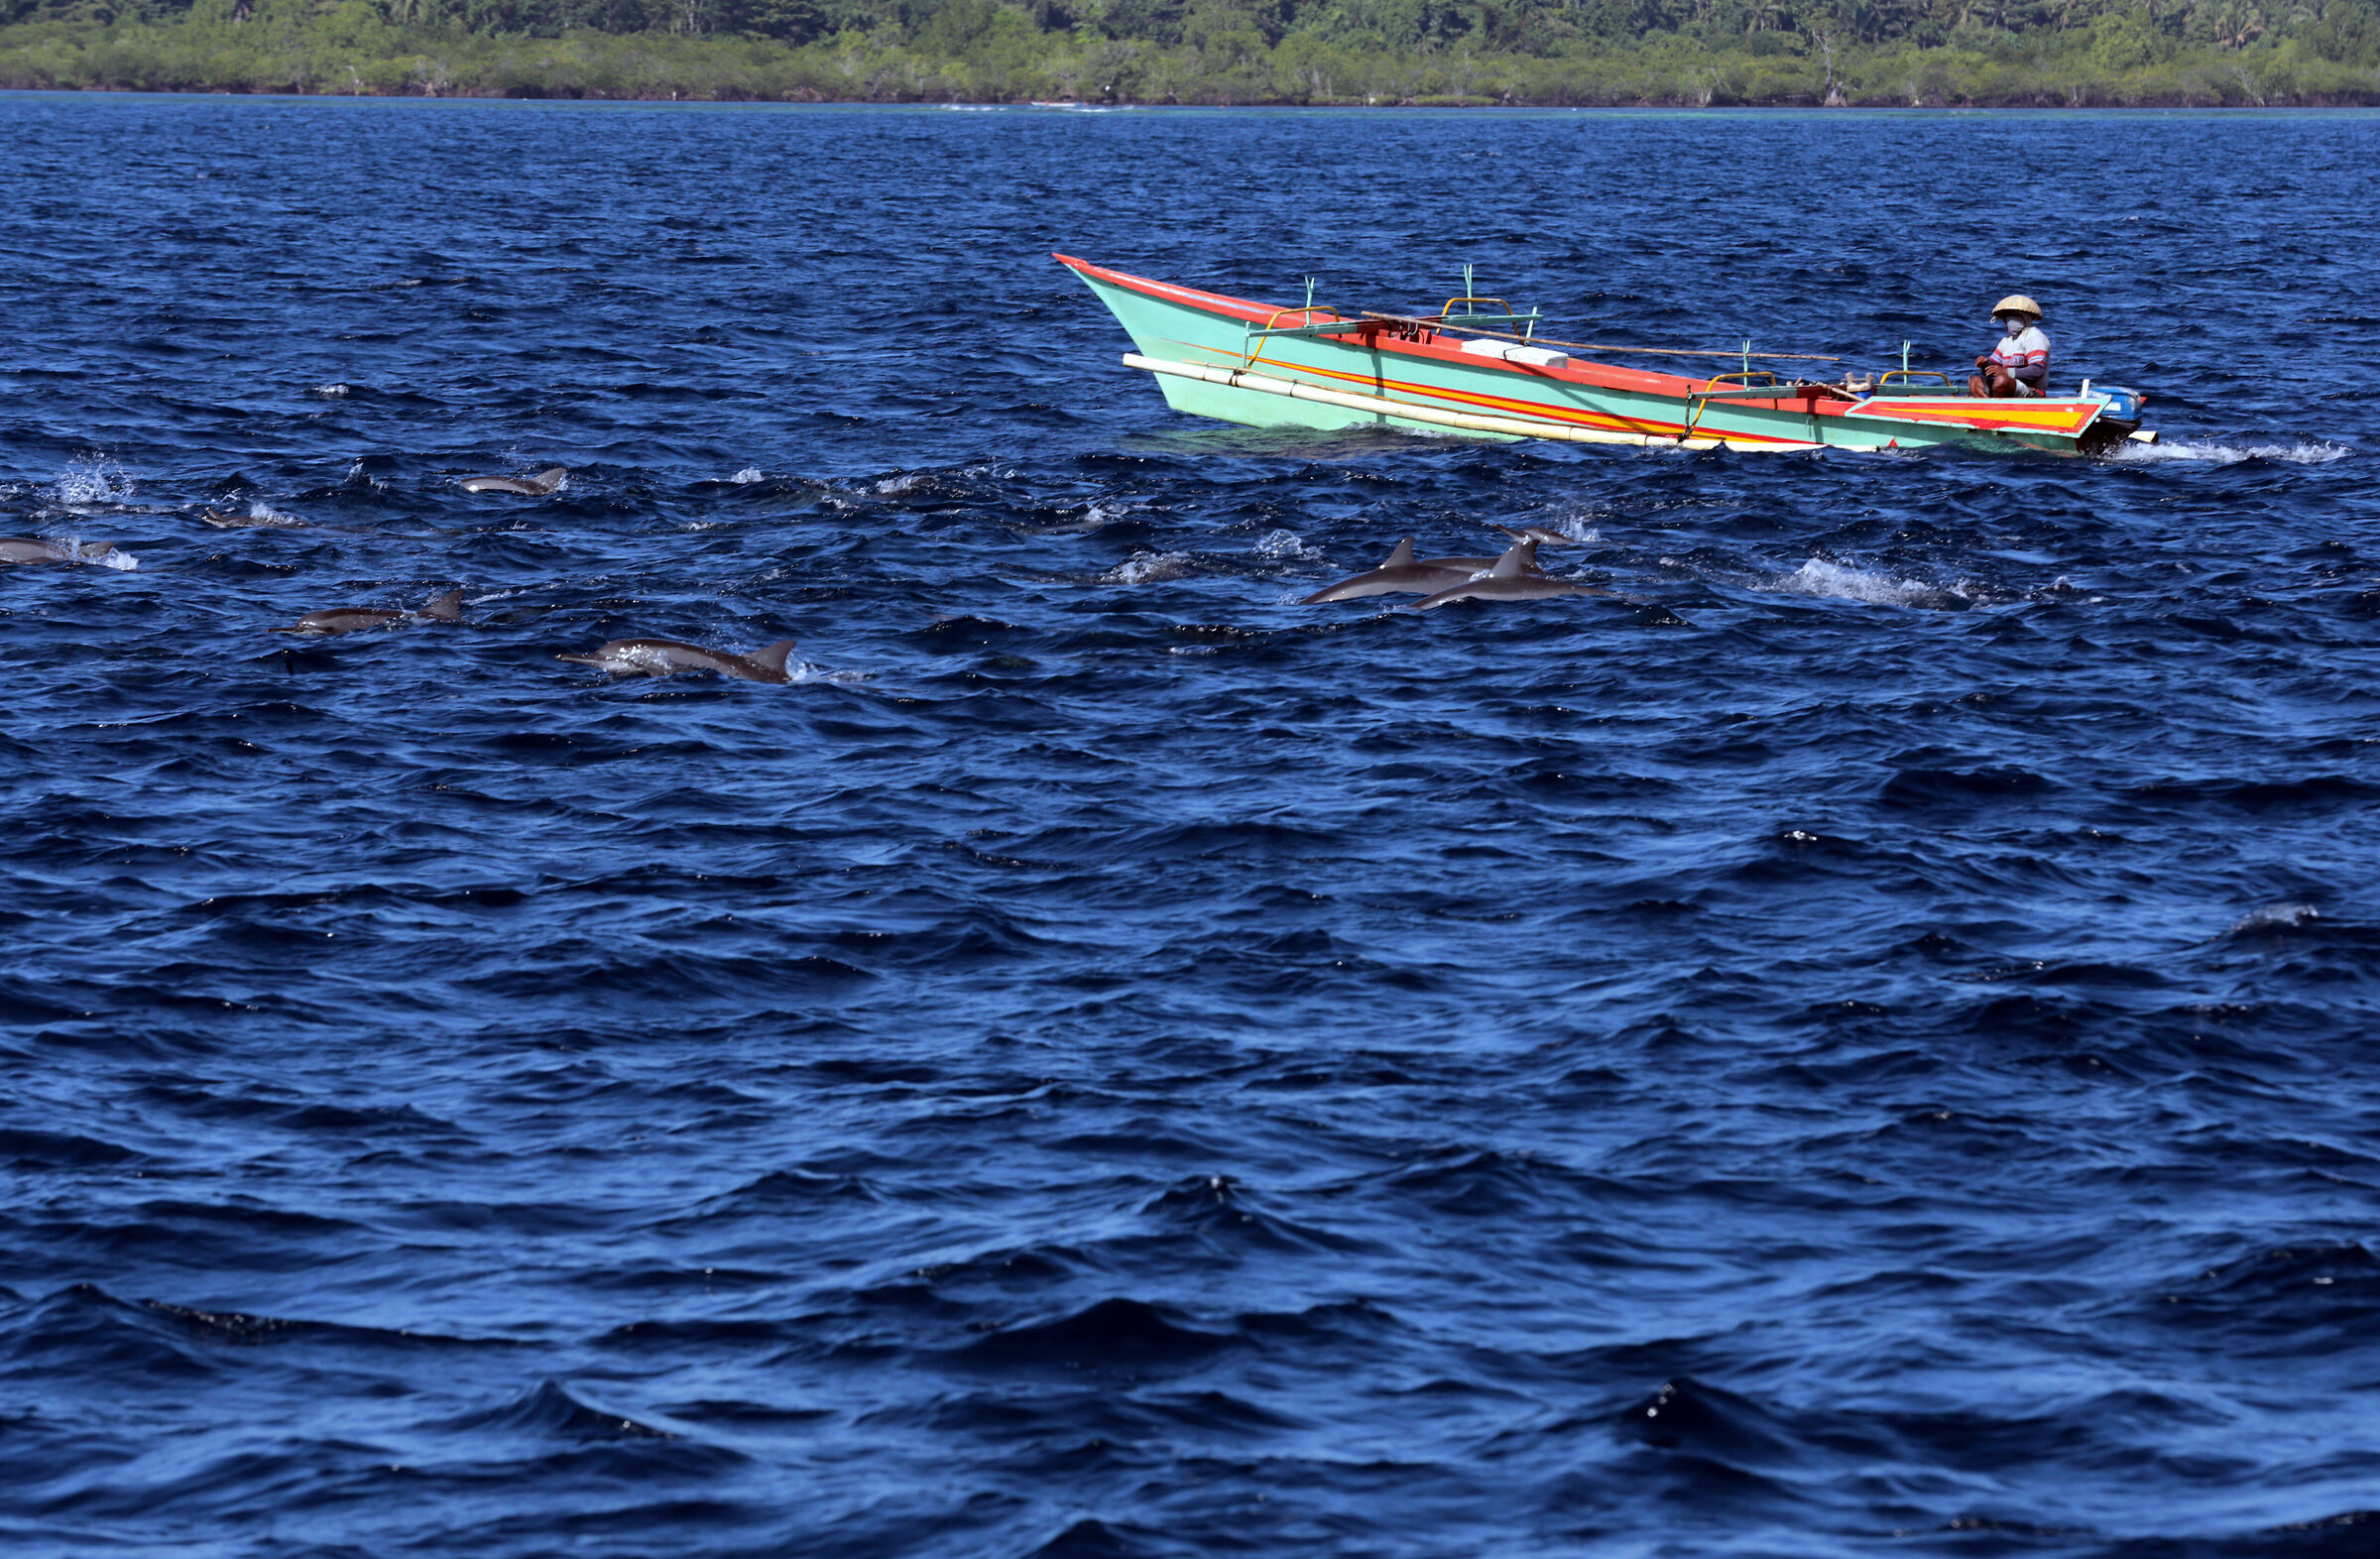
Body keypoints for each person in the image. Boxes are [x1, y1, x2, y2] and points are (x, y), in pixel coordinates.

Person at [1970, 296, 2051, 398]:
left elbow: (2037, 371)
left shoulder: (2035, 337)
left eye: (2015, 315)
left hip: (2032, 391)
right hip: (2007, 388)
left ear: (2026, 316)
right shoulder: (2006, 341)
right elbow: (1992, 367)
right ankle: (1992, 405)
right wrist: (1984, 364)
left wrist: (2006, 372)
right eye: (2007, 316)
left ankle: (1999, 405)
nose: (2010, 319)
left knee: (2001, 381)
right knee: (1974, 381)